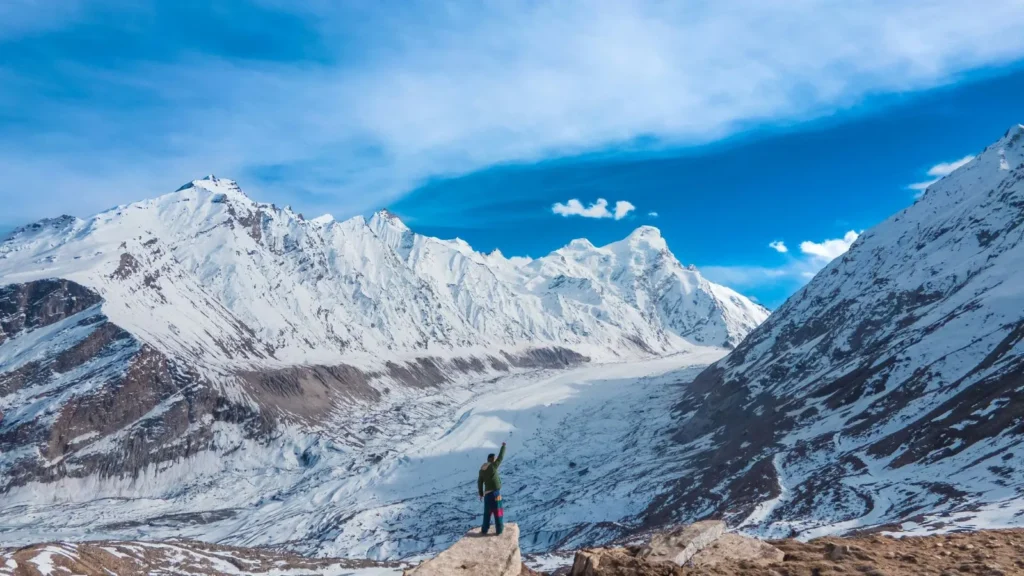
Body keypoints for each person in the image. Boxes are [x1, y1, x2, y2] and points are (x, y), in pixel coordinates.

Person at [478, 441, 506, 535]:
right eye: (494, 459)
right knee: (498, 512)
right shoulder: (493, 466)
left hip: (487, 495)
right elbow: (501, 457)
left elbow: (480, 482)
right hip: (495, 493)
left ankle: (484, 530)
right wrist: (503, 446)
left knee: (487, 513)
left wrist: (481, 494)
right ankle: (499, 530)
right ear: (492, 460)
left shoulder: (481, 470)